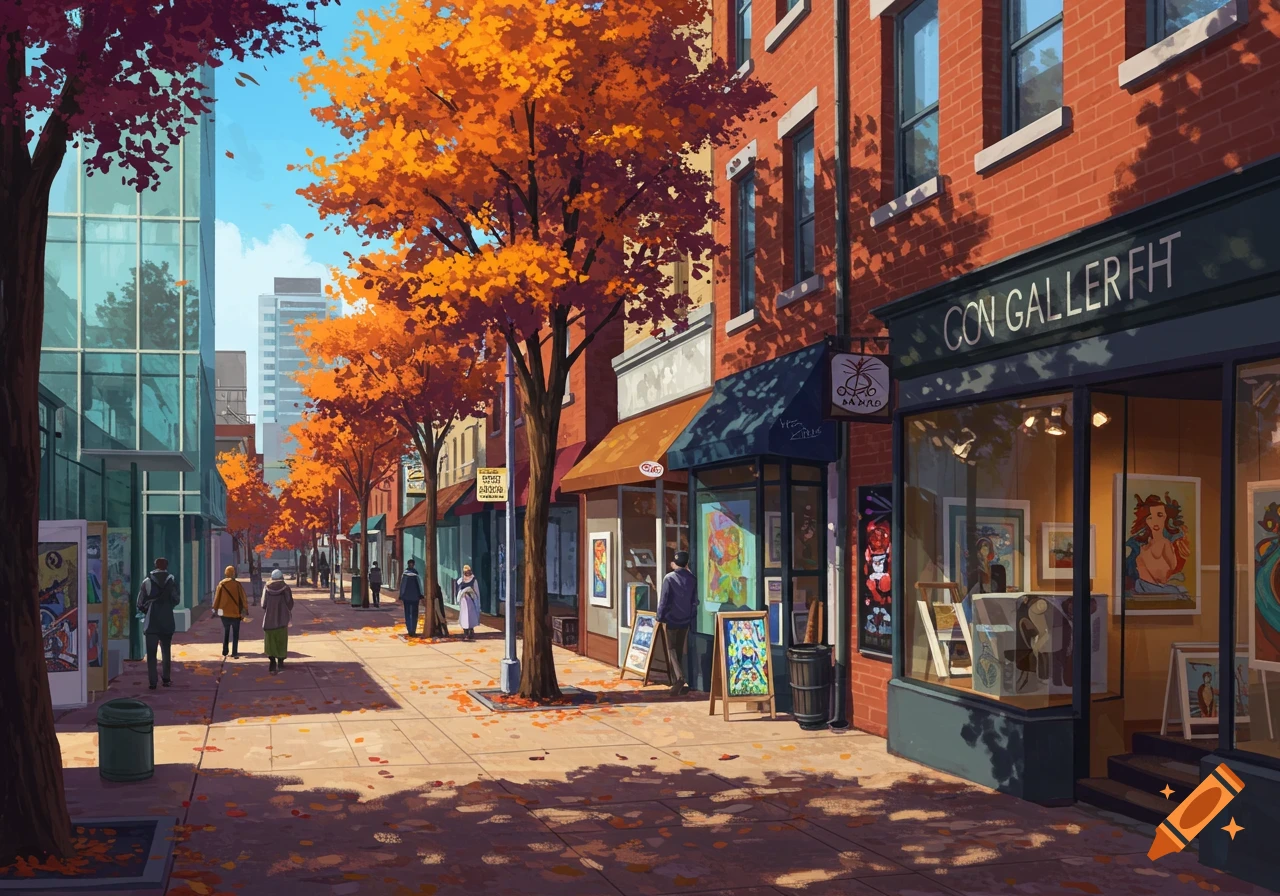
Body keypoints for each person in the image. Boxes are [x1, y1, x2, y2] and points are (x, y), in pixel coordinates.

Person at [656, 550, 697, 696]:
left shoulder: (669, 578)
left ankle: (679, 678)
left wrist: (659, 617)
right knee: (679, 650)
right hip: (685, 620)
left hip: (671, 619)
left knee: (671, 649)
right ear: (686, 563)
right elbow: (694, 601)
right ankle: (676, 681)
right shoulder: (692, 578)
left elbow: (664, 600)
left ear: (675, 563)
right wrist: (692, 616)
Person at [137, 557, 180, 690]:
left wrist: (148, 609)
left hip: (151, 622)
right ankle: (166, 679)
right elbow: (176, 600)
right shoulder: (171, 581)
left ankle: (152, 682)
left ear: (155, 565)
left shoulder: (147, 582)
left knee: (151, 654)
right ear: (166, 566)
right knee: (166, 652)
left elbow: (139, 603)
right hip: (167, 621)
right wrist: (167, 607)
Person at [213, 565, 250, 659]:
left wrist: (215, 608)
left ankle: (225, 650)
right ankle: (234, 652)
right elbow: (243, 598)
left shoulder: (221, 584)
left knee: (226, 631)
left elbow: (217, 598)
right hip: (235, 613)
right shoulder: (237, 585)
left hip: (224, 613)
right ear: (233, 573)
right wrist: (245, 609)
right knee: (235, 633)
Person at [262, 568, 295, 673]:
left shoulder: (266, 588)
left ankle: (272, 661)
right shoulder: (286, 588)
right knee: (281, 640)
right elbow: (290, 603)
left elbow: (263, 604)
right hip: (282, 619)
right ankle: (280, 662)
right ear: (281, 578)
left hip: (269, 619)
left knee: (270, 640)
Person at [455, 565, 481, 641]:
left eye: (468, 572)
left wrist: (476, 600)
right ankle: (465, 632)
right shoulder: (460, 580)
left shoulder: (473, 580)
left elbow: (476, 592)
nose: (467, 573)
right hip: (463, 601)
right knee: (464, 617)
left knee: (471, 616)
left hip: (471, 600)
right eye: (466, 572)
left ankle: (470, 630)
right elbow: (458, 591)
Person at [400, 559, 424, 636]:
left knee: (407, 613)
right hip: (415, 597)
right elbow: (420, 585)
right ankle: (413, 629)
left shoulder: (405, 574)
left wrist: (401, 595)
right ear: (413, 565)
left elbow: (402, 586)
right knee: (414, 613)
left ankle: (409, 629)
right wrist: (421, 594)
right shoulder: (416, 574)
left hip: (406, 597)